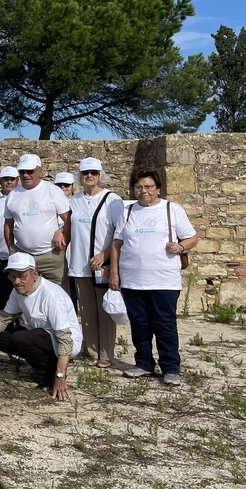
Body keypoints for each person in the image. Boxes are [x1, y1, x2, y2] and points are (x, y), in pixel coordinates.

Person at [109, 170, 198, 386]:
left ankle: (171, 368)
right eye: (139, 187)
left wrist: (180, 246)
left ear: (157, 188)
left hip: (164, 280)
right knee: (139, 324)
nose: (144, 191)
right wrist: (114, 272)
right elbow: (117, 244)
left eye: (148, 186)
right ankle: (143, 364)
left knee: (164, 325)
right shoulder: (128, 211)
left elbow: (192, 237)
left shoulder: (171, 209)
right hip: (132, 280)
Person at [0, 252, 82, 401]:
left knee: (21, 338)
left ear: (35, 274)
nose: (17, 281)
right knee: (0, 337)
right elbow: (3, 318)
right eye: (13, 276)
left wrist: (60, 376)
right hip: (39, 334)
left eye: (21, 276)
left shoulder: (51, 296)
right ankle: (43, 366)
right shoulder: (18, 291)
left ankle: (50, 374)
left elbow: (65, 340)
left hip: (64, 342)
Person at [67, 158, 123, 368]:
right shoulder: (75, 200)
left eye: (93, 173)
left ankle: (106, 354)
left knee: (105, 309)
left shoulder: (111, 199)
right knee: (88, 310)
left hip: (102, 264)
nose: (89, 176)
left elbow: (120, 233)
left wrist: (104, 255)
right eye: (85, 173)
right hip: (80, 263)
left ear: (100, 174)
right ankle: (91, 350)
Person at [3, 154, 71, 287]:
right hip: (23, 256)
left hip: (51, 256)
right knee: (26, 296)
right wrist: (11, 249)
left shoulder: (52, 190)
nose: (25, 175)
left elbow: (69, 219)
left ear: (39, 170)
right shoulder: (13, 195)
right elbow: (8, 225)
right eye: (22, 171)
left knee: (59, 295)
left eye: (30, 171)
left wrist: (62, 233)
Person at [0, 166, 19, 311]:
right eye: (6, 179)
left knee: (22, 290)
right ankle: (4, 328)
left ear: (17, 181)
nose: (9, 182)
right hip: (1, 255)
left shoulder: (23, 198)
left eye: (12, 179)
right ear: (0, 181)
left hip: (21, 255)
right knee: (3, 292)